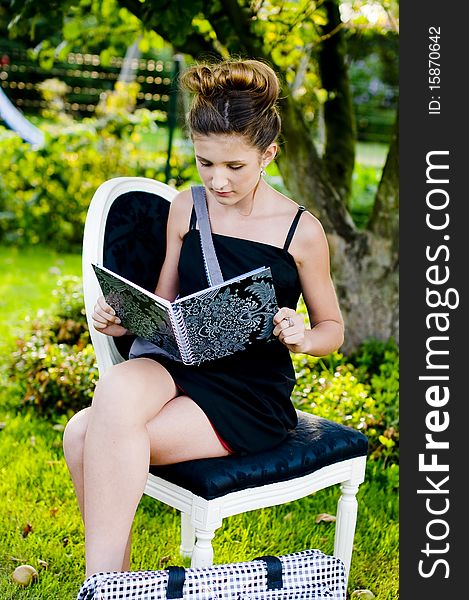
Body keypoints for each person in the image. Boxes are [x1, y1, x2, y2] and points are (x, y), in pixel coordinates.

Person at [63, 58, 344, 578]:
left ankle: (105, 585)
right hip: (178, 361)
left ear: (268, 155)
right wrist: (124, 319)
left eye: (234, 167)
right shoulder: (184, 208)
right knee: (115, 394)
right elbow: (166, 303)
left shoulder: (301, 231)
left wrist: (303, 336)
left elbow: (333, 329)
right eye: (203, 163)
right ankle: (110, 586)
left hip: (247, 394)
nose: (217, 180)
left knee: (85, 435)